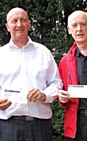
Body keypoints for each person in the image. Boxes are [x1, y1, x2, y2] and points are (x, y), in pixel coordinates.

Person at [0, 7, 63, 141]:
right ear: (7, 26)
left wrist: (44, 95)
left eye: (23, 20)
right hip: (10, 124)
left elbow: (56, 83)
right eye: (14, 21)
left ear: (29, 24)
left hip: (40, 124)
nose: (19, 24)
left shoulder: (43, 52)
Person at [58, 10, 87, 141]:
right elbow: (62, 92)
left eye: (83, 24)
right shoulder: (65, 62)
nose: (79, 29)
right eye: (74, 25)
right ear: (69, 30)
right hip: (76, 124)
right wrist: (62, 98)